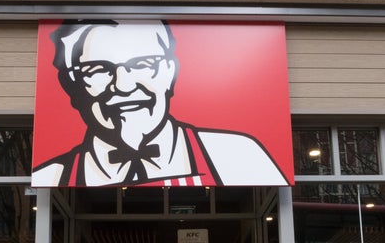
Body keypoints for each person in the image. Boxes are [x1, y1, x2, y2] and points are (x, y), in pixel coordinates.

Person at [32, 19, 289, 187]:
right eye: (98, 69)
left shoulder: (238, 155)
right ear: (72, 86)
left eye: (143, 64)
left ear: (169, 73)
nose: (124, 85)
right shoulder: (51, 176)